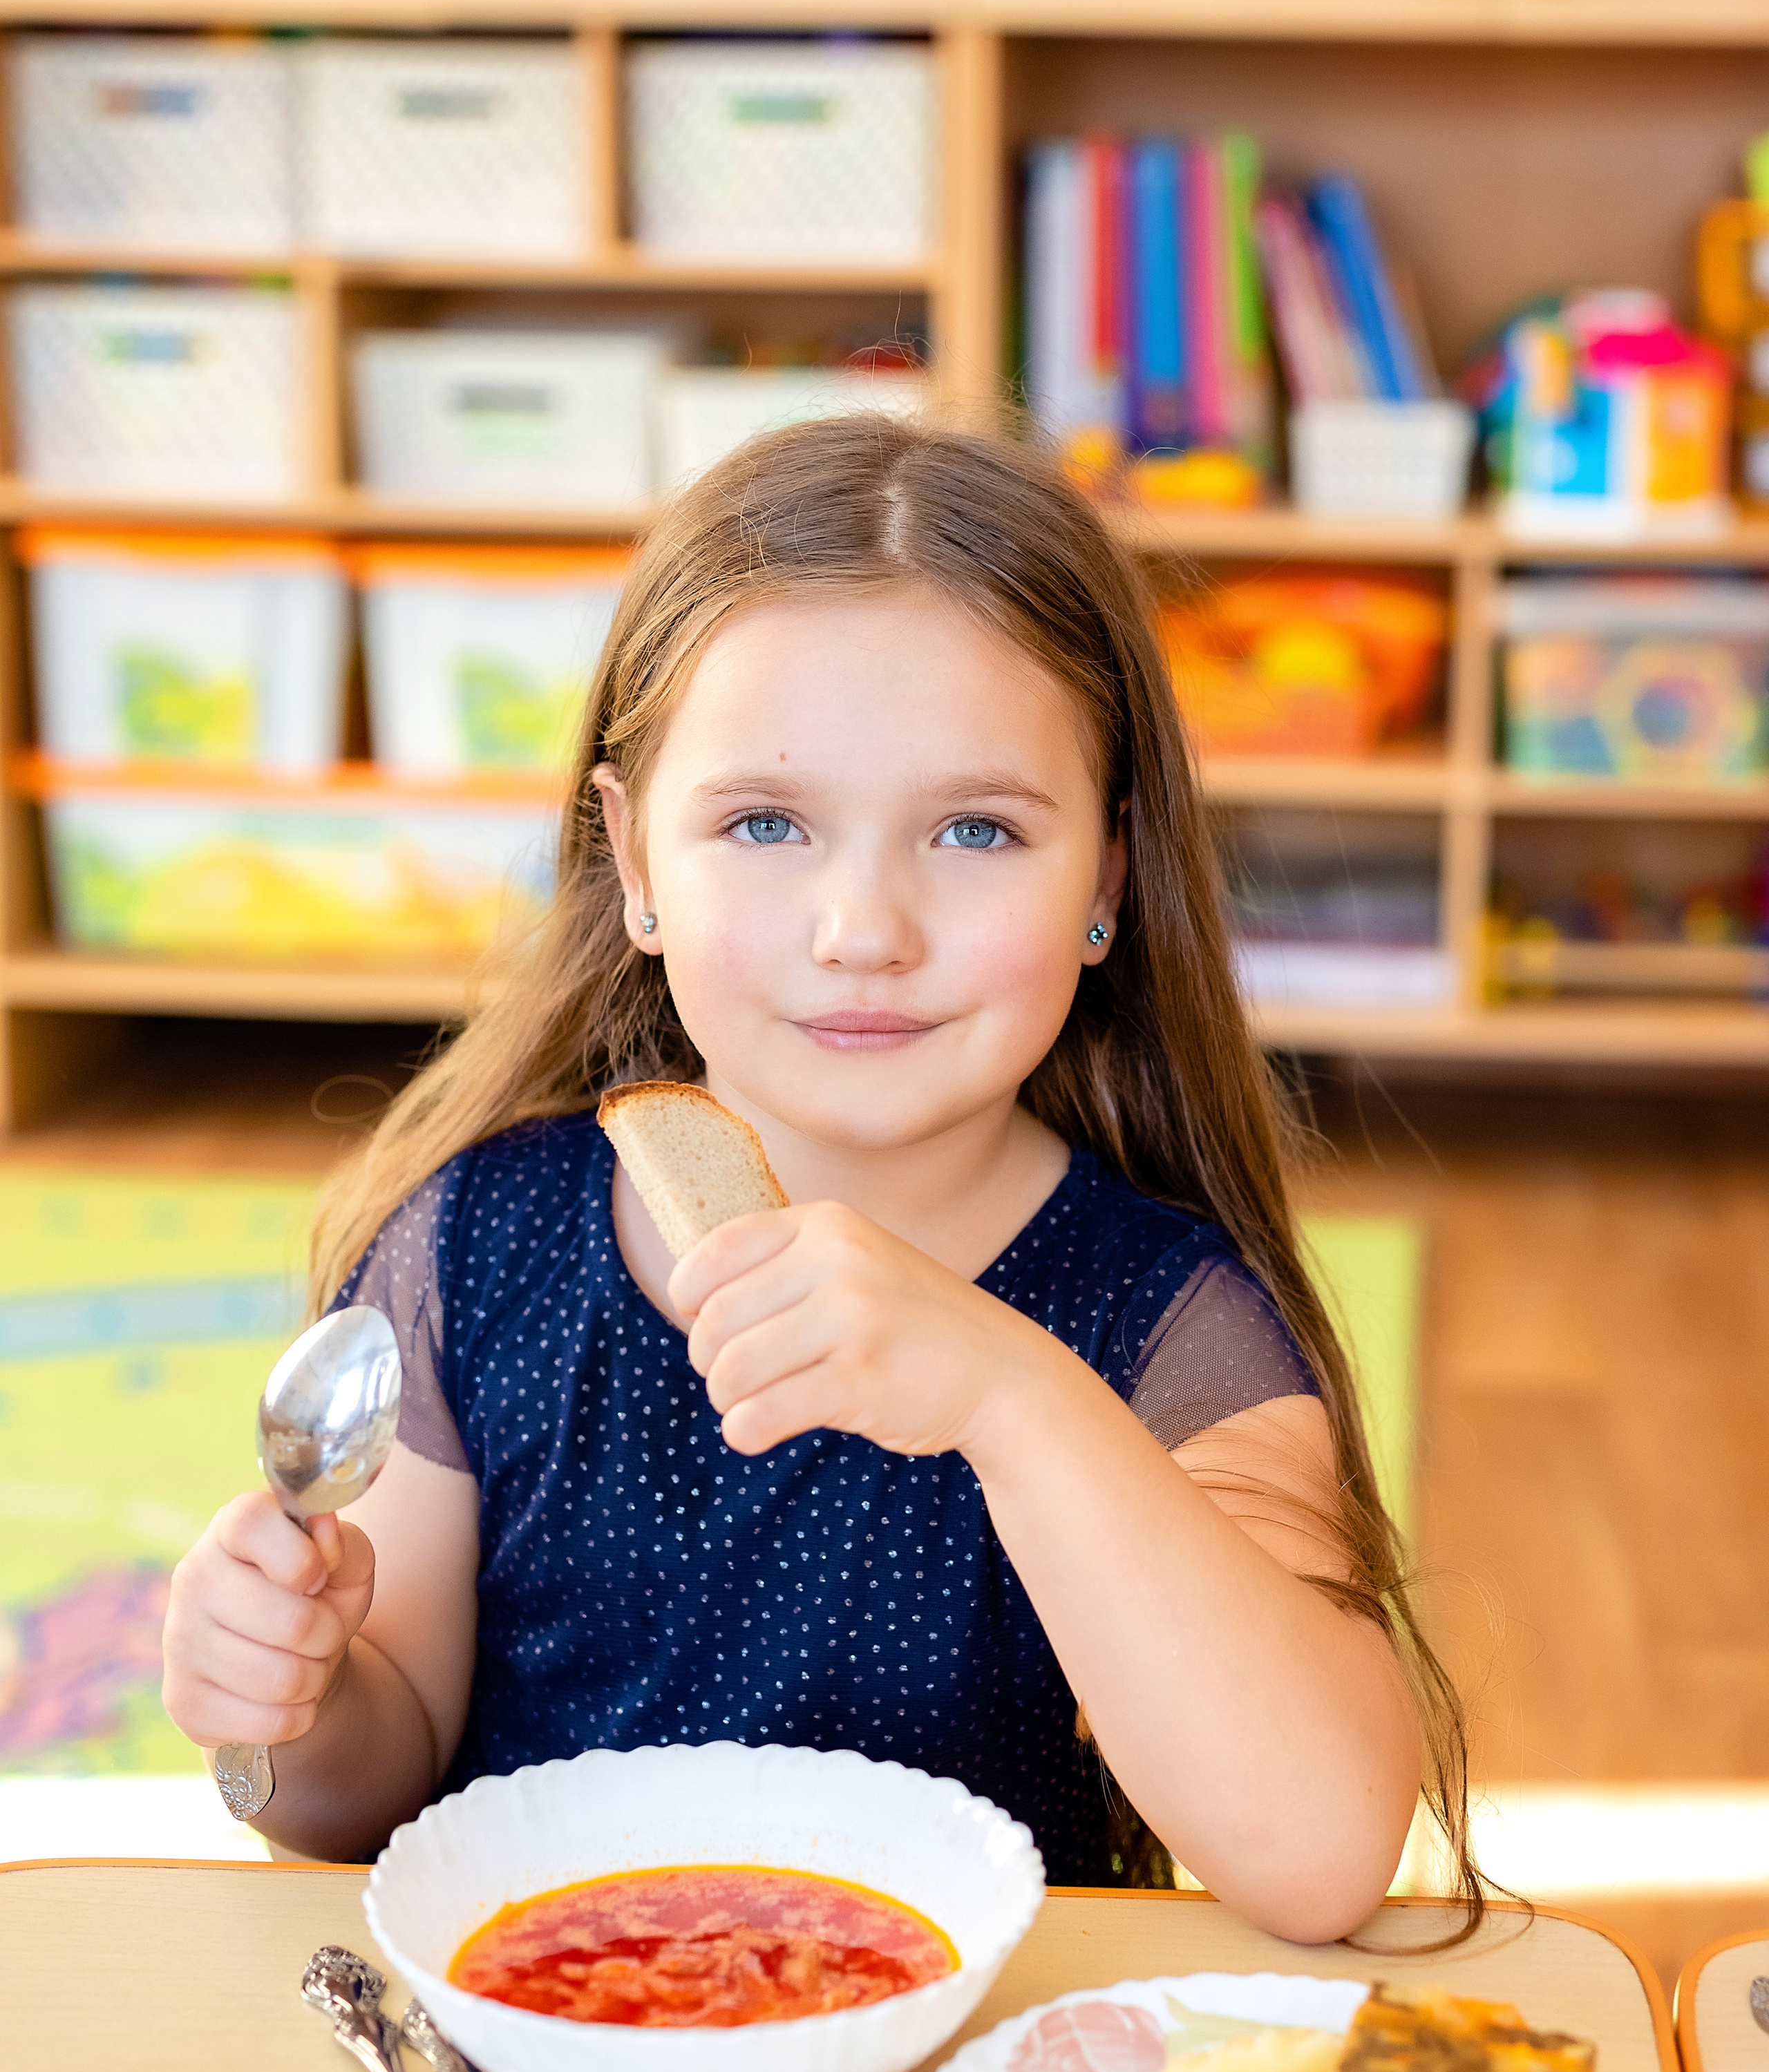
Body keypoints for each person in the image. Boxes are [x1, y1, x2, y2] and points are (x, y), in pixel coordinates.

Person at [162, 419, 1473, 1943]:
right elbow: (363, 1801)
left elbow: (1318, 1853)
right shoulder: (476, 1246)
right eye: (765, 823)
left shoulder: (1166, 1322)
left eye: (975, 829)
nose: (864, 929)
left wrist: (1011, 1397)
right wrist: (291, 1701)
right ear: (634, 860)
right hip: (555, 2045)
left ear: (1107, 876)